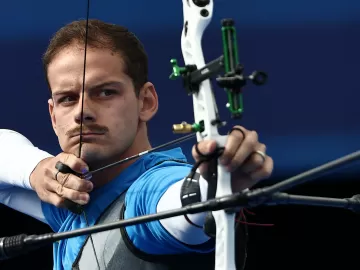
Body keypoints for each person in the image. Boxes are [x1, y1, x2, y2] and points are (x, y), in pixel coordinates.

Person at [0, 19, 273, 270]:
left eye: (105, 92)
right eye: (68, 99)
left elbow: (177, 205)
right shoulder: (74, 199)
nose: (82, 111)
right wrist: (35, 169)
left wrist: (216, 181)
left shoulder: (149, 191)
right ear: (53, 115)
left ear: (146, 102)